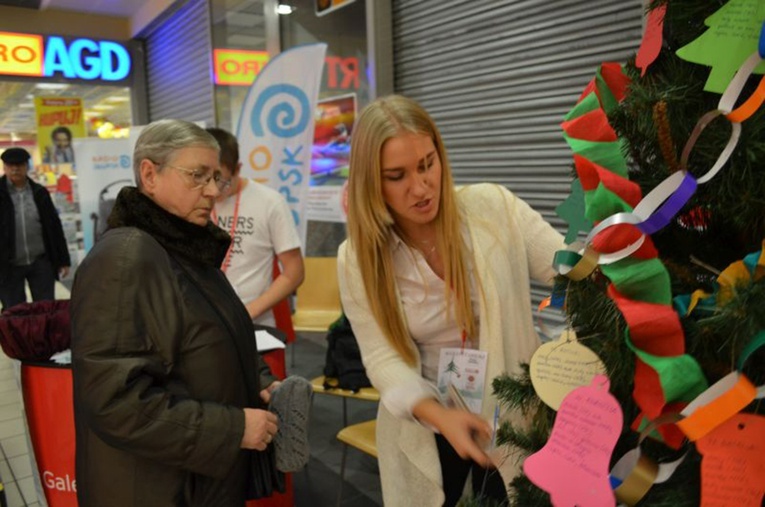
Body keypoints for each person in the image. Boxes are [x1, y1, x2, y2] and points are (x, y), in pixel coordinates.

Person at [337, 95, 565, 507]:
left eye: (427, 164)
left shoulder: (493, 208)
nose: (421, 187)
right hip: (425, 422)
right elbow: (382, 359)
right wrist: (439, 414)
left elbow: (567, 268)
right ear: (371, 181)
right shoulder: (359, 257)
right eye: (397, 175)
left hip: (514, 417)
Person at [70, 119, 283, 507]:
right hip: (154, 488)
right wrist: (232, 429)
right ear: (150, 175)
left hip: (194, 480)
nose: (213, 191)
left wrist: (258, 379)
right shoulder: (126, 257)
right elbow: (114, 400)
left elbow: (204, 338)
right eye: (197, 176)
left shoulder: (183, 246)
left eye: (216, 177)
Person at [206, 127, 304, 327]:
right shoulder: (195, 200)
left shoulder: (270, 202)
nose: (214, 190)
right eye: (207, 179)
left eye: (222, 181)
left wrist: (248, 312)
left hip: (255, 321)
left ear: (238, 169)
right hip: (207, 320)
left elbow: (294, 272)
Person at [0, 147, 70, 311]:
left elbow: (54, 227)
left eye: (20, 165)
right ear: (4, 167)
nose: (15, 169)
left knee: (45, 309)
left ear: (27, 166)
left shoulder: (40, 192)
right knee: (14, 311)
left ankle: (44, 337)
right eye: (11, 165)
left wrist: (63, 260)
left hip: (41, 262)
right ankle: (18, 338)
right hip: (8, 264)